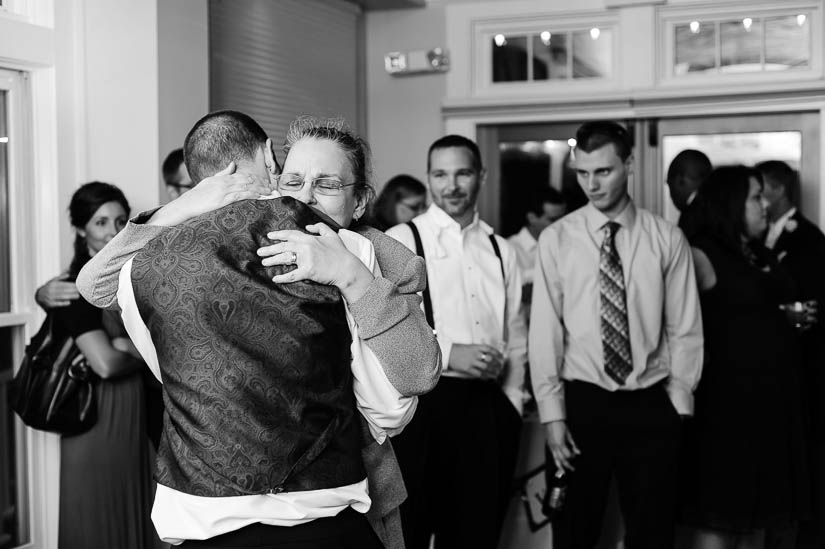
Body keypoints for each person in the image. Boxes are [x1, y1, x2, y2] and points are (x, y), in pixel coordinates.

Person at [77, 111, 441, 549]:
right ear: (273, 172)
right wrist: (184, 205)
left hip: (350, 493)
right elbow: (98, 287)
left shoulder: (373, 252)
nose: (305, 197)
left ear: (360, 202)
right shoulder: (230, 246)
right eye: (293, 182)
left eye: (326, 185)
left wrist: (351, 275)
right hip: (237, 508)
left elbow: (413, 379)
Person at [529, 121, 703, 549]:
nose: (591, 184)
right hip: (581, 401)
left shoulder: (667, 239)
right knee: (574, 531)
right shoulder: (556, 240)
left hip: (650, 402)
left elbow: (685, 328)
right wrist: (553, 416)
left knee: (652, 533)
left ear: (629, 164)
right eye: (582, 173)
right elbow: (545, 332)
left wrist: (678, 406)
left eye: (603, 171)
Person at [386, 134, 527, 549]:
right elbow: (383, 326)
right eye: (440, 174)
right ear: (429, 178)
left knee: (476, 533)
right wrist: (448, 353)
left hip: (488, 409)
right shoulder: (402, 238)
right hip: (421, 409)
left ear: (480, 176)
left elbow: (514, 332)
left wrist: (513, 406)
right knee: (410, 532)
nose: (451, 185)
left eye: (462, 173)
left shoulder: (502, 250)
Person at [680, 166, 810, 549]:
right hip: (724, 411)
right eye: (755, 197)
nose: (765, 205)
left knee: (758, 520)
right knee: (721, 516)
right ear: (731, 202)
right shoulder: (701, 253)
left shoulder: (757, 252)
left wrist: (787, 318)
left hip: (769, 409)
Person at [56, 182, 156, 549]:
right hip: (97, 420)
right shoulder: (73, 288)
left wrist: (125, 345)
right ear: (82, 229)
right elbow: (106, 364)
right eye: (100, 223)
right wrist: (136, 349)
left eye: (118, 221)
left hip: (133, 413)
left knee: (135, 514)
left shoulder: (131, 279)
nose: (113, 232)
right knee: (98, 522)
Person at [757, 160, 825, 549]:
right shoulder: (758, 238)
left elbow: (813, 306)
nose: (760, 200)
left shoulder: (809, 239)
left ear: (779, 190)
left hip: (801, 372)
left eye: (761, 189)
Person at [507, 186, 567, 309]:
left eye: (564, 218)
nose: (561, 225)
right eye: (553, 219)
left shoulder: (568, 245)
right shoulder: (508, 249)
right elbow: (517, 294)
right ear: (531, 218)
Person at [666, 149, 712, 240]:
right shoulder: (718, 209)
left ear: (680, 180)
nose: (671, 195)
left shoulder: (691, 216)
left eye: (669, 184)